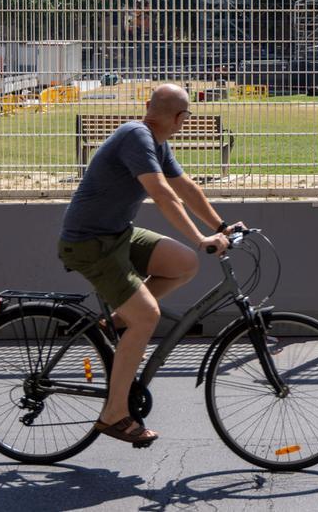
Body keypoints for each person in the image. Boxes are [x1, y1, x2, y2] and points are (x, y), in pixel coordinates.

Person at [57, 83, 237, 446]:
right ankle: (114, 415)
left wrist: (221, 227)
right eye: (186, 117)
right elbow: (162, 193)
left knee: (184, 263)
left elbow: (185, 187)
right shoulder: (136, 137)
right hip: (89, 244)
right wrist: (201, 238)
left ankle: (114, 323)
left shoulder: (155, 141)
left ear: (149, 105)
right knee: (147, 317)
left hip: (117, 235)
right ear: (181, 118)